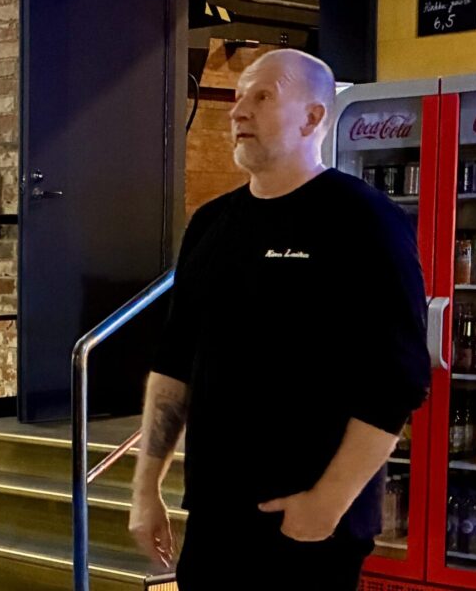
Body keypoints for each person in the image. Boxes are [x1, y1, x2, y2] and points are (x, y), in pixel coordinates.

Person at [129, 48, 431, 590]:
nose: (238, 110)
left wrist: (327, 502)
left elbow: (395, 382)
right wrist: (146, 488)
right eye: (239, 96)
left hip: (310, 523)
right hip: (216, 514)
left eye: (263, 96)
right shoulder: (210, 224)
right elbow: (175, 363)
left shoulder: (365, 220)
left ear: (312, 118)